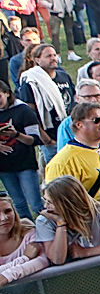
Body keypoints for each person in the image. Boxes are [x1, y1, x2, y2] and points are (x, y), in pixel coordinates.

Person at [35, 175, 100, 265]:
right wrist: (61, 223)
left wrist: (85, 252)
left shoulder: (97, 210)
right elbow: (57, 259)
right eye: (45, 200)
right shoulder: (44, 220)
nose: (45, 206)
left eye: (50, 202)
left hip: (97, 267)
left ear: (67, 204)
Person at [0, 80, 44, 221]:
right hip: (4, 167)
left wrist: (17, 135)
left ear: (7, 93)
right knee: (18, 204)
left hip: (25, 163)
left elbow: (34, 139)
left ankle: (48, 231)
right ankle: (28, 232)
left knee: (36, 203)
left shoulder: (23, 110)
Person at [56, 77, 100, 149]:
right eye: (88, 97)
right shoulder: (67, 125)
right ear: (77, 99)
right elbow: (64, 152)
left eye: (97, 96)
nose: (93, 100)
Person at [0, 195, 49, 285]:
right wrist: (25, 258)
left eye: (8, 211)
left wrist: (7, 276)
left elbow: (42, 260)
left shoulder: (27, 229)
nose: (4, 218)